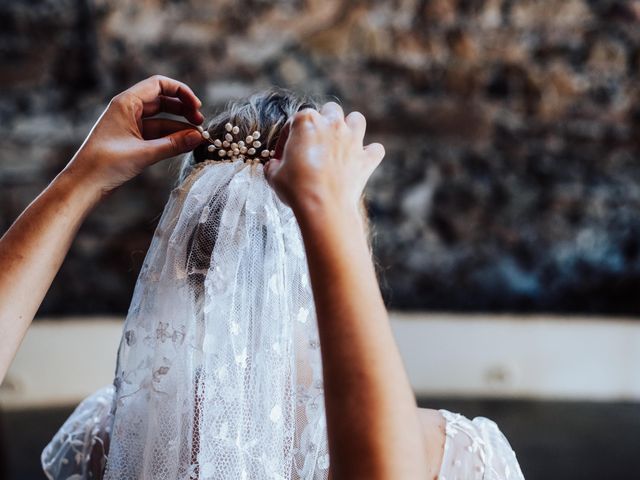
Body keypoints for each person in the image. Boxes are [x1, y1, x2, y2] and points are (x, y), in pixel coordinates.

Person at [0, 76, 523, 479]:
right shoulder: (454, 456)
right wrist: (328, 209)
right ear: (351, 238)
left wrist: (80, 178)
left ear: (189, 258)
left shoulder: (111, 436)